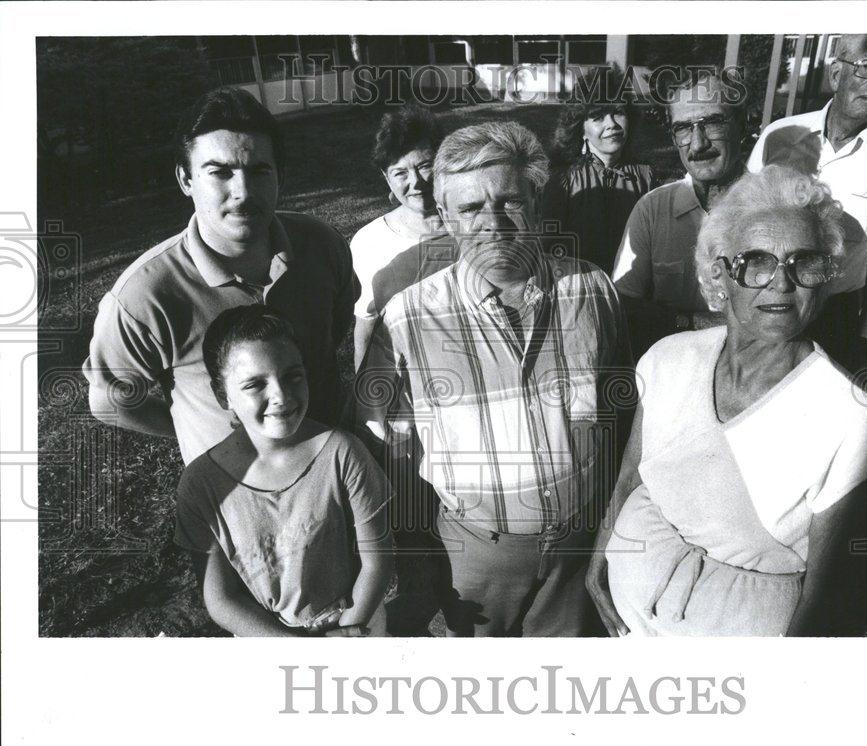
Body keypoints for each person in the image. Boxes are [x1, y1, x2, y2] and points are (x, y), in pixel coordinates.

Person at [587, 166, 867, 637]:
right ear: (720, 276)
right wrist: (600, 555)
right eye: (757, 261)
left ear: (825, 279)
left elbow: (823, 596)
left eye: (803, 262)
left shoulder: (851, 417)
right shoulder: (667, 359)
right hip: (624, 625)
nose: (780, 283)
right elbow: (630, 476)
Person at [358, 121, 633, 637]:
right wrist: (417, 553)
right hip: (476, 556)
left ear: (537, 199)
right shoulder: (405, 318)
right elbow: (391, 443)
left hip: (580, 543)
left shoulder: (591, 289)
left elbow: (618, 407)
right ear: (444, 216)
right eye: (469, 209)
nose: (494, 224)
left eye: (509, 200)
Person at [83, 87, 359, 465]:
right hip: (234, 498)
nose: (243, 192)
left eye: (260, 170)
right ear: (186, 180)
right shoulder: (145, 295)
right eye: (220, 172)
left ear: (280, 175)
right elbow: (109, 401)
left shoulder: (322, 245)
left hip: (337, 469)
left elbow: (337, 326)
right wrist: (192, 429)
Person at [175, 306, 393, 637]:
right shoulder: (201, 485)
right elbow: (221, 598)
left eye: (292, 375)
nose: (280, 395)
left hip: (355, 624)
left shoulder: (342, 453)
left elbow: (377, 562)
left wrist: (346, 635)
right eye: (254, 384)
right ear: (223, 396)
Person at [748, 34, 867, 371]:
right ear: (835, 74)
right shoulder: (779, 137)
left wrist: (866, 335)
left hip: (836, 314)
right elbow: (738, 224)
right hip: (769, 299)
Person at [612, 71, 746, 358]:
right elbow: (623, 305)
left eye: (712, 123)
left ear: (741, 125)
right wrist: (694, 323)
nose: (698, 145)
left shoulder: (772, 209)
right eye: (683, 128)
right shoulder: (652, 209)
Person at [350, 106, 451, 371]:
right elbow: (366, 326)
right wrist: (365, 392)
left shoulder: (473, 229)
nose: (416, 182)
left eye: (425, 166)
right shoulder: (369, 242)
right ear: (386, 177)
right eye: (400, 172)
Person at [542, 67, 654, 276]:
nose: (611, 124)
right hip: (580, 290)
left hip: (633, 290)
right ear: (581, 129)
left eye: (618, 113)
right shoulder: (563, 181)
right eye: (598, 117)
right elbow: (548, 250)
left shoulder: (647, 177)